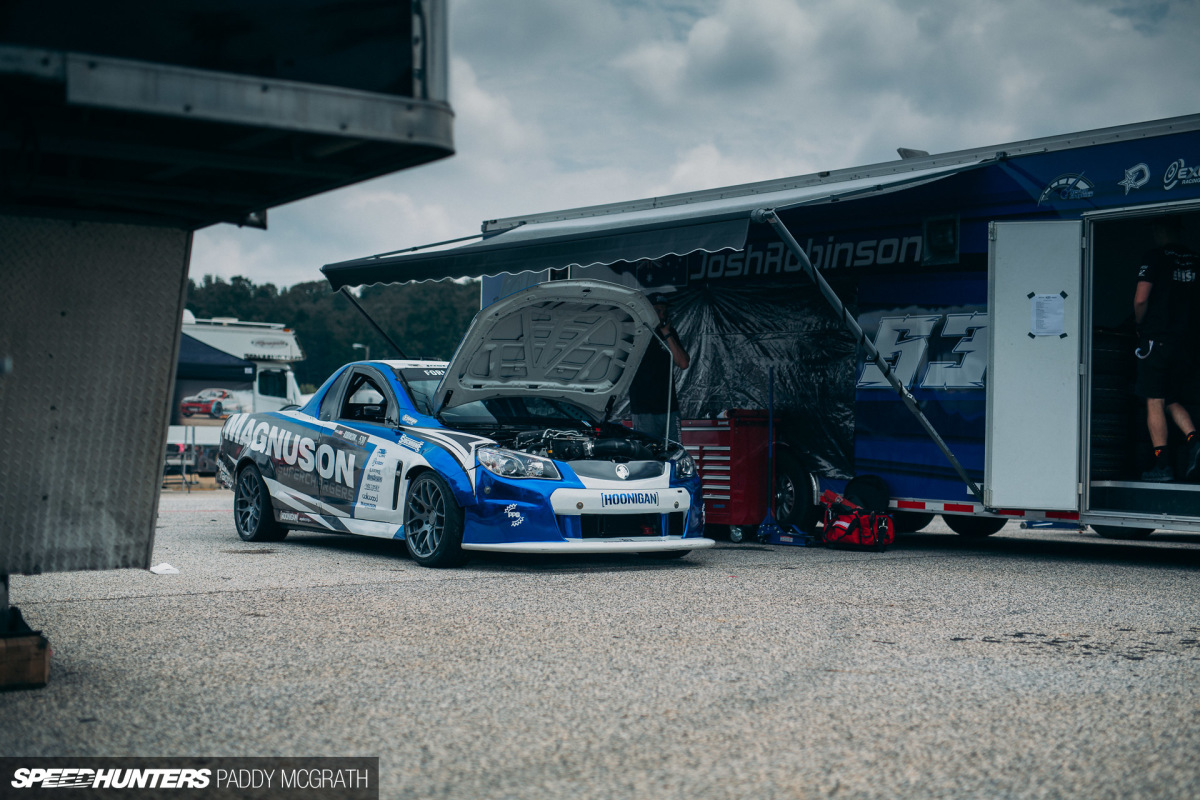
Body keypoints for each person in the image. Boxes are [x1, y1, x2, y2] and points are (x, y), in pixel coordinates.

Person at [1133, 215, 1200, 481]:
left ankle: (1161, 465)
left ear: (1161, 230)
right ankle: (1194, 441)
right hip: (1187, 343)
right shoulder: (1195, 259)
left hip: (1156, 340)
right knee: (1169, 397)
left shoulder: (1154, 257)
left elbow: (1140, 299)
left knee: (1154, 400)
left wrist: (1140, 325)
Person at [629, 291, 690, 444]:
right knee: (648, 451)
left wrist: (666, 333)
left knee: (673, 449)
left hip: (669, 407)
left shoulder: (669, 333)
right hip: (644, 409)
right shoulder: (636, 333)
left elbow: (683, 363)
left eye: (664, 311)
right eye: (658, 311)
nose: (662, 315)